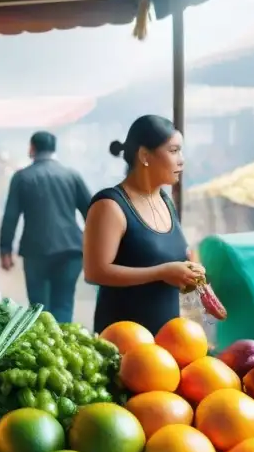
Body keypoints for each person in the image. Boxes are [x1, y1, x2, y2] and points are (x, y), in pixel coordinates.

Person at [83, 115, 204, 336]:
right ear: (145, 156)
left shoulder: (165, 201)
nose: (182, 159)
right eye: (174, 151)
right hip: (124, 342)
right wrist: (161, 272)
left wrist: (190, 266)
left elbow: (168, 256)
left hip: (168, 338)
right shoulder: (110, 205)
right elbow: (95, 272)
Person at [0, 131, 91, 323]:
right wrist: (95, 245)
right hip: (71, 250)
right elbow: (92, 211)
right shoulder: (71, 176)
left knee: (39, 310)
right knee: (64, 304)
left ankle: (46, 347)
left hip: (36, 251)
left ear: (32, 148)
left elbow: (11, 216)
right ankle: (65, 347)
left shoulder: (22, 177)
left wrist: (5, 249)